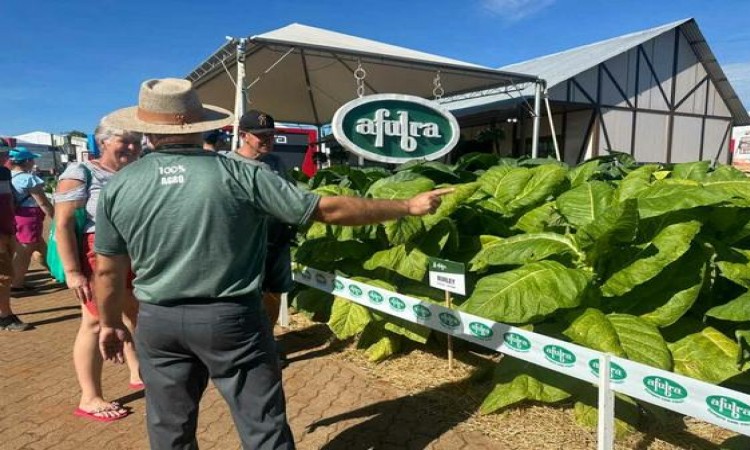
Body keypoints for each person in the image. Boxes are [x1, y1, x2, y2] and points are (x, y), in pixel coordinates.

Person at [93, 78, 452, 450]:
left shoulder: (120, 186)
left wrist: (108, 324)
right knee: (261, 424)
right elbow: (323, 209)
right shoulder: (239, 173)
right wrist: (407, 207)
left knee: (169, 428)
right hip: (230, 318)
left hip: (157, 321)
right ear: (200, 125)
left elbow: (107, 270)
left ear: (148, 131)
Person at [53, 125, 144, 422]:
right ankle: (89, 397)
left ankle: (137, 372)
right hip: (99, 256)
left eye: (135, 142)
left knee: (133, 311)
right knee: (95, 322)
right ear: (104, 142)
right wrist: (73, 272)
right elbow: (63, 224)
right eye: (124, 141)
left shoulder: (133, 172)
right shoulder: (80, 172)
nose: (131, 147)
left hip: (133, 254)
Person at [229, 109, 294, 367]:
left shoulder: (276, 162)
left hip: (276, 239)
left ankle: (267, 341)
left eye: (270, 134)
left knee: (274, 293)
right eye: (260, 136)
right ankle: (243, 346)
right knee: (243, 297)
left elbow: (288, 196)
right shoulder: (227, 162)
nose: (267, 139)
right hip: (243, 244)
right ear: (244, 135)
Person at [9, 147, 53, 292]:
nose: (33, 161)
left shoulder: (9, 177)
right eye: (32, 159)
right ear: (27, 161)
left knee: (41, 247)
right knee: (25, 251)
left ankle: (57, 273)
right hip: (30, 217)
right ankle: (16, 283)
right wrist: (55, 217)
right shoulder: (28, 179)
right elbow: (43, 202)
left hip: (17, 216)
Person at [0, 145, 33, 331]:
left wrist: (11, 228)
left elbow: (10, 200)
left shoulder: (4, 173)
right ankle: (5, 316)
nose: (7, 156)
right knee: (3, 276)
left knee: (6, 273)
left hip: (8, 229)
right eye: (3, 153)